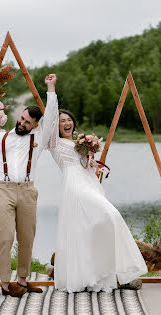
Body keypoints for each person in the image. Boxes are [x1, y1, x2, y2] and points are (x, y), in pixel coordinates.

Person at [46, 75, 148, 293]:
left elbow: (88, 166)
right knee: (110, 215)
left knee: (93, 227)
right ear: (56, 125)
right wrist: (51, 89)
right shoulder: (54, 144)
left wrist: (93, 160)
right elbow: (49, 118)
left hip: (90, 184)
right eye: (62, 121)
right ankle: (113, 275)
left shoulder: (79, 143)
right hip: (74, 187)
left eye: (69, 120)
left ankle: (108, 275)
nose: (66, 123)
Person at [0, 74, 58, 297]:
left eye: (27, 122)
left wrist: (50, 89)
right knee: (5, 237)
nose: (21, 123)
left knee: (27, 237)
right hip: (4, 190)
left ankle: (22, 280)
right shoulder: (1, 137)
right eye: (21, 119)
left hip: (28, 191)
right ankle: (4, 283)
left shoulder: (38, 139)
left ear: (35, 125)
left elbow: (50, 118)